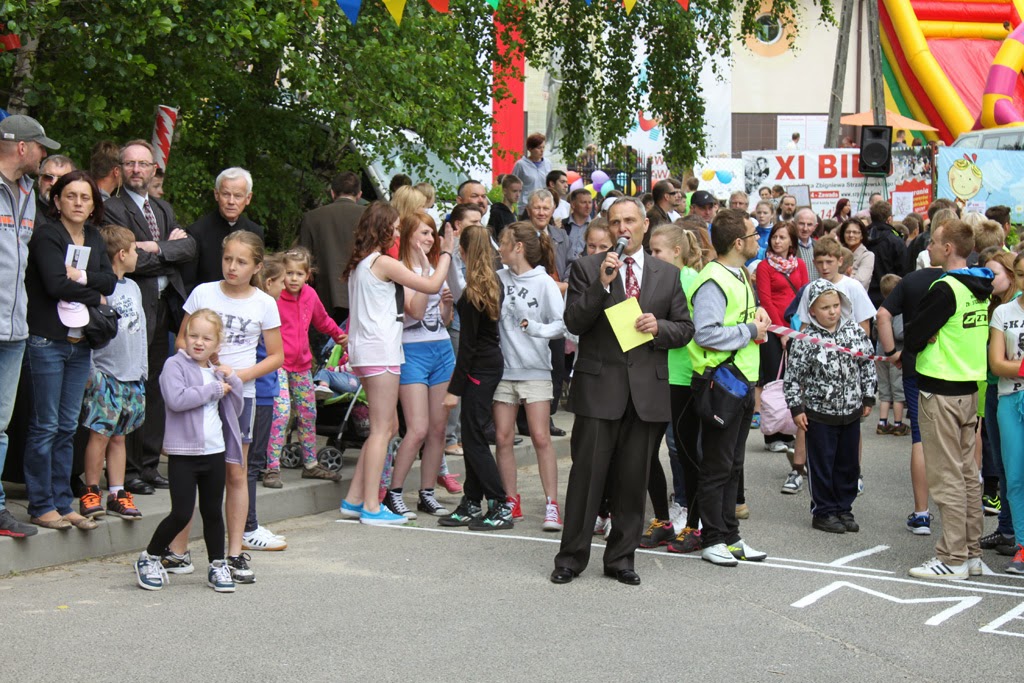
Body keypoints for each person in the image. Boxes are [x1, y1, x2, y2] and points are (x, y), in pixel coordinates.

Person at [551, 197, 693, 585]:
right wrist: (601, 285)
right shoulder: (588, 268)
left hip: (646, 393)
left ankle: (621, 559)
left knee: (633, 481)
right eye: (615, 222)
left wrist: (660, 327)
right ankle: (570, 558)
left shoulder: (668, 274)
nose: (622, 228)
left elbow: (685, 329)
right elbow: (574, 322)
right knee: (587, 478)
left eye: (629, 220)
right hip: (600, 389)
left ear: (645, 225)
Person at [168, 231, 284, 583]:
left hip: (239, 396)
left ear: (257, 267)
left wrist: (240, 375)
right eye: (228, 259)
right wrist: (204, 361)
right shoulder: (204, 293)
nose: (232, 267)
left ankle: (233, 553)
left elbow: (277, 356)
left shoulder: (264, 303)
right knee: (193, 468)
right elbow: (181, 340)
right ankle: (178, 551)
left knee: (235, 472)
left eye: (242, 262)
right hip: (199, 392)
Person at [338, 202, 455, 525]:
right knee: (381, 430)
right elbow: (431, 287)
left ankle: (354, 499)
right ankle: (371, 506)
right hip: (380, 352)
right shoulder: (383, 262)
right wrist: (447, 252)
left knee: (388, 427)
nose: (398, 234)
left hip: (367, 351)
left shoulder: (363, 264)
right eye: (396, 228)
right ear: (384, 229)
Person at [23, 171, 117, 531]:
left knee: (66, 427)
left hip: (81, 344)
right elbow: (53, 284)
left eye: (85, 197)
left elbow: (110, 281)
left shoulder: (93, 236)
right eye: (71, 196)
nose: (78, 203)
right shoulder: (47, 235)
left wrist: (80, 278)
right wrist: (95, 293)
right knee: (45, 426)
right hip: (47, 341)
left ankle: (63, 503)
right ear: (57, 200)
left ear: (94, 205)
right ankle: (41, 505)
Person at [103, 139, 196, 496]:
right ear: (119, 169)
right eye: (130, 164)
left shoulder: (161, 208)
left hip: (163, 309)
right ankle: (128, 471)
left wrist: (157, 247)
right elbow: (128, 260)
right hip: (132, 310)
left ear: (154, 169)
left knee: (156, 387)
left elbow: (189, 248)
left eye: (143, 164)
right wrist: (167, 254)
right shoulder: (111, 208)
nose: (136, 170)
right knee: (131, 386)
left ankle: (149, 464)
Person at [904, 219, 993, 579]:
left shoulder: (946, 287)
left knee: (947, 477)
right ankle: (971, 553)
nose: (929, 247)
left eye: (934, 241)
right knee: (968, 474)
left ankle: (953, 557)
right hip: (968, 388)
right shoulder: (981, 284)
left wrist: (921, 334)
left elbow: (914, 335)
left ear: (948, 248)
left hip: (941, 389)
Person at [134, 309, 242, 593]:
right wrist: (213, 390)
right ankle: (149, 557)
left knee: (212, 512)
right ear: (184, 337)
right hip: (184, 454)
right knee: (181, 513)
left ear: (217, 343)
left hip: (214, 452)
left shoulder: (215, 372)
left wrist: (233, 380)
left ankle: (217, 564)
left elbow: (235, 407)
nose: (199, 342)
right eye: (193, 335)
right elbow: (176, 399)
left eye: (206, 338)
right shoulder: (175, 365)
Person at [689, 208, 770, 567]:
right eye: (753, 235)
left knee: (734, 465)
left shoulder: (739, 274)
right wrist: (751, 330)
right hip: (720, 382)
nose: (758, 240)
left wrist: (758, 318)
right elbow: (705, 333)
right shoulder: (713, 279)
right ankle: (712, 539)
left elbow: (738, 319)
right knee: (717, 465)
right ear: (738, 242)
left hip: (741, 381)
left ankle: (731, 537)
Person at [0, 114, 60, 539]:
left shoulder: (27, 192)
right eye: (41, 147)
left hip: (14, 329)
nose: (44, 155)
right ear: (22, 147)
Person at [784, 280, 877, 533]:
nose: (832, 311)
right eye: (825, 308)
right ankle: (823, 511)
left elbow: (867, 364)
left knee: (848, 465)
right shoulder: (806, 339)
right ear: (812, 311)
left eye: (836, 305)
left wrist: (868, 396)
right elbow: (793, 377)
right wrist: (796, 408)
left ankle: (843, 508)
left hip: (851, 412)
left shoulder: (854, 332)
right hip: (819, 415)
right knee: (822, 465)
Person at [383, 212, 458, 520]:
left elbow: (443, 321)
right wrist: (430, 272)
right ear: (408, 235)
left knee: (438, 429)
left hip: (441, 349)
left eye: (431, 233)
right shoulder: (399, 269)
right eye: (423, 233)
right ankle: (394, 493)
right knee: (417, 428)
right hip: (411, 352)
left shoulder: (434, 268)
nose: (429, 238)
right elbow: (413, 312)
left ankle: (427, 493)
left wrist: (447, 305)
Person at [439, 225, 512, 529]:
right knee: (473, 437)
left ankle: (500, 504)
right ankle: (471, 501)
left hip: (480, 368)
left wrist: (454, 390)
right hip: (488, 364)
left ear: (463, 252)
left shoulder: (474, 293)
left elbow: (467, 347)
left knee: (474, 439)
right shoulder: (492, 283)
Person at [494, 222, 566, 529]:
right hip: (503, 371)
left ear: (518, 247)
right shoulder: (498, 278)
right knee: (503, 437)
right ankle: (511, 500)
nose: (499, 249)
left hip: (535, 370)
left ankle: (552, 504)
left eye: (503, 243)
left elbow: (561, 324)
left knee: (540, 436)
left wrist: (535, 329)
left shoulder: (544, 282)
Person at [78, 226, 148, 522]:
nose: (137, 256)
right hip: (106, 374)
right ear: (121, 254)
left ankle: (117, 492)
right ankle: (91, 489)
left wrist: (143, 369)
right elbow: (91, 332)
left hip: (132, 375)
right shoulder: (100, 289)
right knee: (100, 435)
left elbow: (140, 331)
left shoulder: (133, 287)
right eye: (134, 250)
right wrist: (92, 373)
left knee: (119, 437)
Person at [650, 223, 703, 553]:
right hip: (654, 375)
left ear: (676, 251)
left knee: (684, 453)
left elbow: (695, 327)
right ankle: (662, 521)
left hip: (683, 376)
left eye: (657, 251)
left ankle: (693, 523)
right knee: (645, 451)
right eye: (650, 250)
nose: (652, 256)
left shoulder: (691, 279)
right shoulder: (654, 279)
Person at [275, 247, 345, 481]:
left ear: (308, 275)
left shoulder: (310, 295)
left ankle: (311, 463)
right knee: (281, 412)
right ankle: (271, 466)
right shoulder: (275, 297)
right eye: (289, 273)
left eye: (299, 274)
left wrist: (339, 336)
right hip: (278, 363)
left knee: (308, 412)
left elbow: (323, 320)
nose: (294, 279)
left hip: (302, 364)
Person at [977, 249, 1019, 554]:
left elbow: (1000, 361)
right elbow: (995, 362)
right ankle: (1008, 529)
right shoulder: (995, 307)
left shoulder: (1008, 310)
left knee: (1012, 467)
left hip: (1008, 390)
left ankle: (1011, 530)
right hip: (996, 390)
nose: (989, 280)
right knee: (1005, 466)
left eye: (994, 274)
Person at [755, 221, 808, 455]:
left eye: (782, 237)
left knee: (793, 381)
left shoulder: (800, 265)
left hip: (795, 328)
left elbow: (805, 295)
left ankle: (787, 431)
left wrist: (799, 329)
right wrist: (781, 332)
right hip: (772, 330)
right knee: (773, 382)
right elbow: (766, 301)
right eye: (774, 237)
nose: (777, 241)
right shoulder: (764, 266)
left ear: (791, 242)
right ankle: (772, 434)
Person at [989, 252, 1024, 573]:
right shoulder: (1003, 312)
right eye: (1023, 274)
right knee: (1014, 477)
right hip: (1009, 399)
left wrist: (1015, 366)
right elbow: (997, 364)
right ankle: (1022, 546)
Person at [297, 171, 365, 326]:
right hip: (362, 294)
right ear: (359, 194)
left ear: (332, 192)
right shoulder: (370, 217)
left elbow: (303, 260)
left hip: (324, 296)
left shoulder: (312, 217)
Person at [183, 167, 265, 292]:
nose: (231, 201)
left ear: (248, 198)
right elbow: (187, 283)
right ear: (216, 195)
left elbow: (256, 279)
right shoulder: (196, 232)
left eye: (238, 196)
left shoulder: (255, 232)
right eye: (226, 194)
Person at [875, 274, 908, 436]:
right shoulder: (898, 311)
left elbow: (875, 332)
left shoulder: (881, 308)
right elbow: (899, 332)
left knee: (884, 390)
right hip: (895, 354)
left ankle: (882, 422)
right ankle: (898, 423)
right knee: (898, 391)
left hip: (880, 355)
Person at [864, 200, 907, 306]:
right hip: (889, 294)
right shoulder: (896, 240)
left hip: (865, 293)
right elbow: (903, 270)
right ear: (889, 219)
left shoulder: (861, 237)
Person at [511, 133, 550, 214]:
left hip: (543, 206)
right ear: (530, 149)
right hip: (525, 207)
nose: (542, 150)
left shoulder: (548, 164)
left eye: (543, 147)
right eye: (539, 148)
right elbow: (512, 184)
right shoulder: (521, 165)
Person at [838, 218, 875, 291]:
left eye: (855, 232)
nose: (851, 235)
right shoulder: (836, 252)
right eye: (848, 232)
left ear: (862, 236)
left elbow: (860, 282)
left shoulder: (867, 256)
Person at [561, 187, 592, 270]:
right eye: (583, 202)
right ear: (573, 205)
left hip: (585, 269)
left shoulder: (594, 227)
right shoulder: (562, 225)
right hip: (564, 269)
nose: (588, 206)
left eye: (590, 202)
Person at [35, 154, 75, 219]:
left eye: (62, 179)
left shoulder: (81, 218)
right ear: (39, 180)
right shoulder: (27, 214)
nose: (53, 183)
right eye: (48, 177)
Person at [488, 174, 521, 238]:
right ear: (505, 191)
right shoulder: (497, 212)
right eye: (514, 191)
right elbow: (491, 236)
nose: (518, 195)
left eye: (520, 191)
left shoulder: (513, 211)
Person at [794, 207, 818, 280]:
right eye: (801, 224)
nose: (805, 228)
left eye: (809, 224)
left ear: (815, 227)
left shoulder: (819, 246)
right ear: (794, 224)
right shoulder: (788, 246)